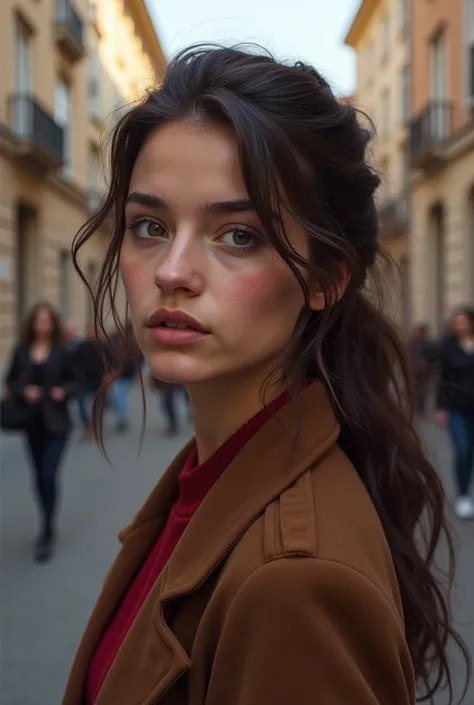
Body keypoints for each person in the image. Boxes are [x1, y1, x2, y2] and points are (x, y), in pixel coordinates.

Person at [63, 47, 469, 705]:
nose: (172, 270)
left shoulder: (292, 584)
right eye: (150, 225)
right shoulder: (215, 475)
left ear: (325, 278)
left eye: (239, 235)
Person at [4, 302, 80, 562]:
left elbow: (76, 381)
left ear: (53, 324)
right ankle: (45, 516)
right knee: (38, 477)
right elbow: (10, 381)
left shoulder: (63, 352)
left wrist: (63, 391)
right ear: (32, 323)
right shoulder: (21, 351)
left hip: (57, 423)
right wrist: (24, 391)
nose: (42, 324)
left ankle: (48, 528)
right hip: (31, 422)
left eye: (47, 320)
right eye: (39, 320)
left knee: (48, 474)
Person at [435, 308, 474, 520]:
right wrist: (440, 408)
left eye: (462, 321)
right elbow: (443, 379)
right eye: (455, 321)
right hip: (456, 408)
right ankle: (463, 495)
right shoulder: (448, 347)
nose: (458, 325)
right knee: (463, 450)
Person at [74, 325, 107, 440]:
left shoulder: (104, 347)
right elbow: (74, 362)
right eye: (91, 331)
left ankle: (94, 426)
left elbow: (111, 361)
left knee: (98, 405)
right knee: (81, 403)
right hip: (83, 381)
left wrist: (108, 375)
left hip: (99, 380)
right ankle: (87, 425)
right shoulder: (82, 346)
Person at [410, 323, 436, 416]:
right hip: (415, 370)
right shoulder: (413, 343)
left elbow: (432, 358)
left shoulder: (429, 344)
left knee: (422, 390)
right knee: (416, 389)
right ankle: (417, 407)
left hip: (424, 371)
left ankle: (420, 407)